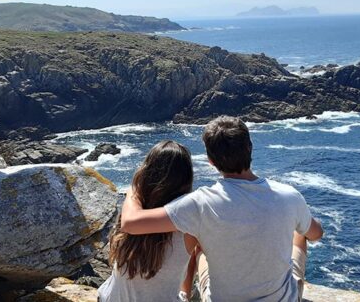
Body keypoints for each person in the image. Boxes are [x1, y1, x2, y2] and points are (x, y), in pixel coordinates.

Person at [120, 116, 324, 301]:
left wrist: (135, 190)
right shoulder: (289, 195)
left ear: (210, 161)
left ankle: (186, 294)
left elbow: (130, 223)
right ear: (250, 148)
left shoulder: (199, 203)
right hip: (282, 299)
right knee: (301, 233)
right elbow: (316, 234)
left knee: (198, 241)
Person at [98, 141, 201, 302]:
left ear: (147, 171)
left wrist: (135, 188)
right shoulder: (190, 223)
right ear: (186, 180)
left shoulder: (132, 209)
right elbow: (194, 256)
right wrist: (185, 294)